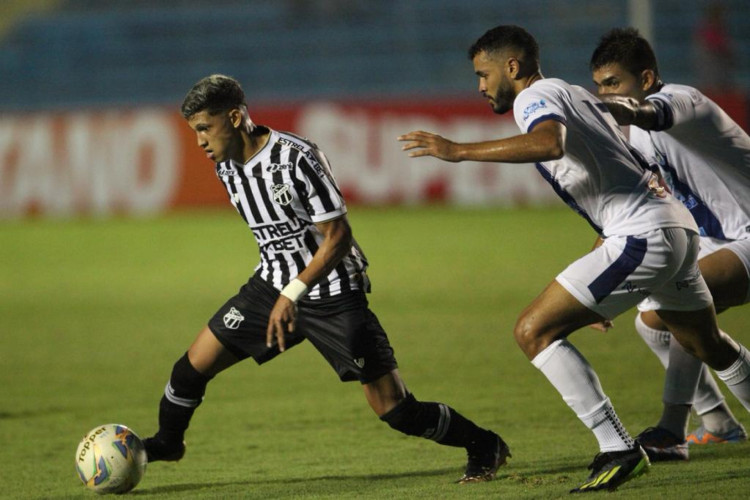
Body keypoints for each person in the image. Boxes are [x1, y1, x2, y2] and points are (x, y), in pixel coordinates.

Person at [398, 25, 750, 493]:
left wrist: (457, 151)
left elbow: (549, 144)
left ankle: (618, 447)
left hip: (644, 233)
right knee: (708, 344)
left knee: (533, 330)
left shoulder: (534, 98)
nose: (480, 86)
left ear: (512, 67)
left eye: (483, 75)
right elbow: (623, 165)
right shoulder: (573, 93)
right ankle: (690, 425)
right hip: (676, 229)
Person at [142, 74, 510, 484]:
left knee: (396, 410)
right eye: (194, 132)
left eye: (204, 129)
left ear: (235, 116)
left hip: (332, 290)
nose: (200, 142)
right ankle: (168, 443)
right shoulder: (225, 166)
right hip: (271, 286)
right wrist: (282, 292)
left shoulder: (296, 157)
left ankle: (484, 444)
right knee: (190, 369)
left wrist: (294, 294)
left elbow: (338, 237)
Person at [589, 27, 750, 461]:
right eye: (598, 86)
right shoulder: (632, 140)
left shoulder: (685, 102)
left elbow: (649, 113)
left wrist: (597, 109)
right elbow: (635, 206)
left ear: (645, 79)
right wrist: (602, 281)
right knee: (654, 323)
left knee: (684, 301)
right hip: (719, 241)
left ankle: (670, 430)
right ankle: (718, 422)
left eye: (613, 84)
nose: (604, 93)